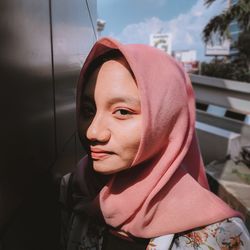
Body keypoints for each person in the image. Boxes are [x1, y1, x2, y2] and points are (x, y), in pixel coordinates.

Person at [60, 37, 250, 250]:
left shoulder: (222, 237)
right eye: (88, 110)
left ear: (166, 120)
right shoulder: (75, 188)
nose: (93, 132)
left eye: (122, 112)